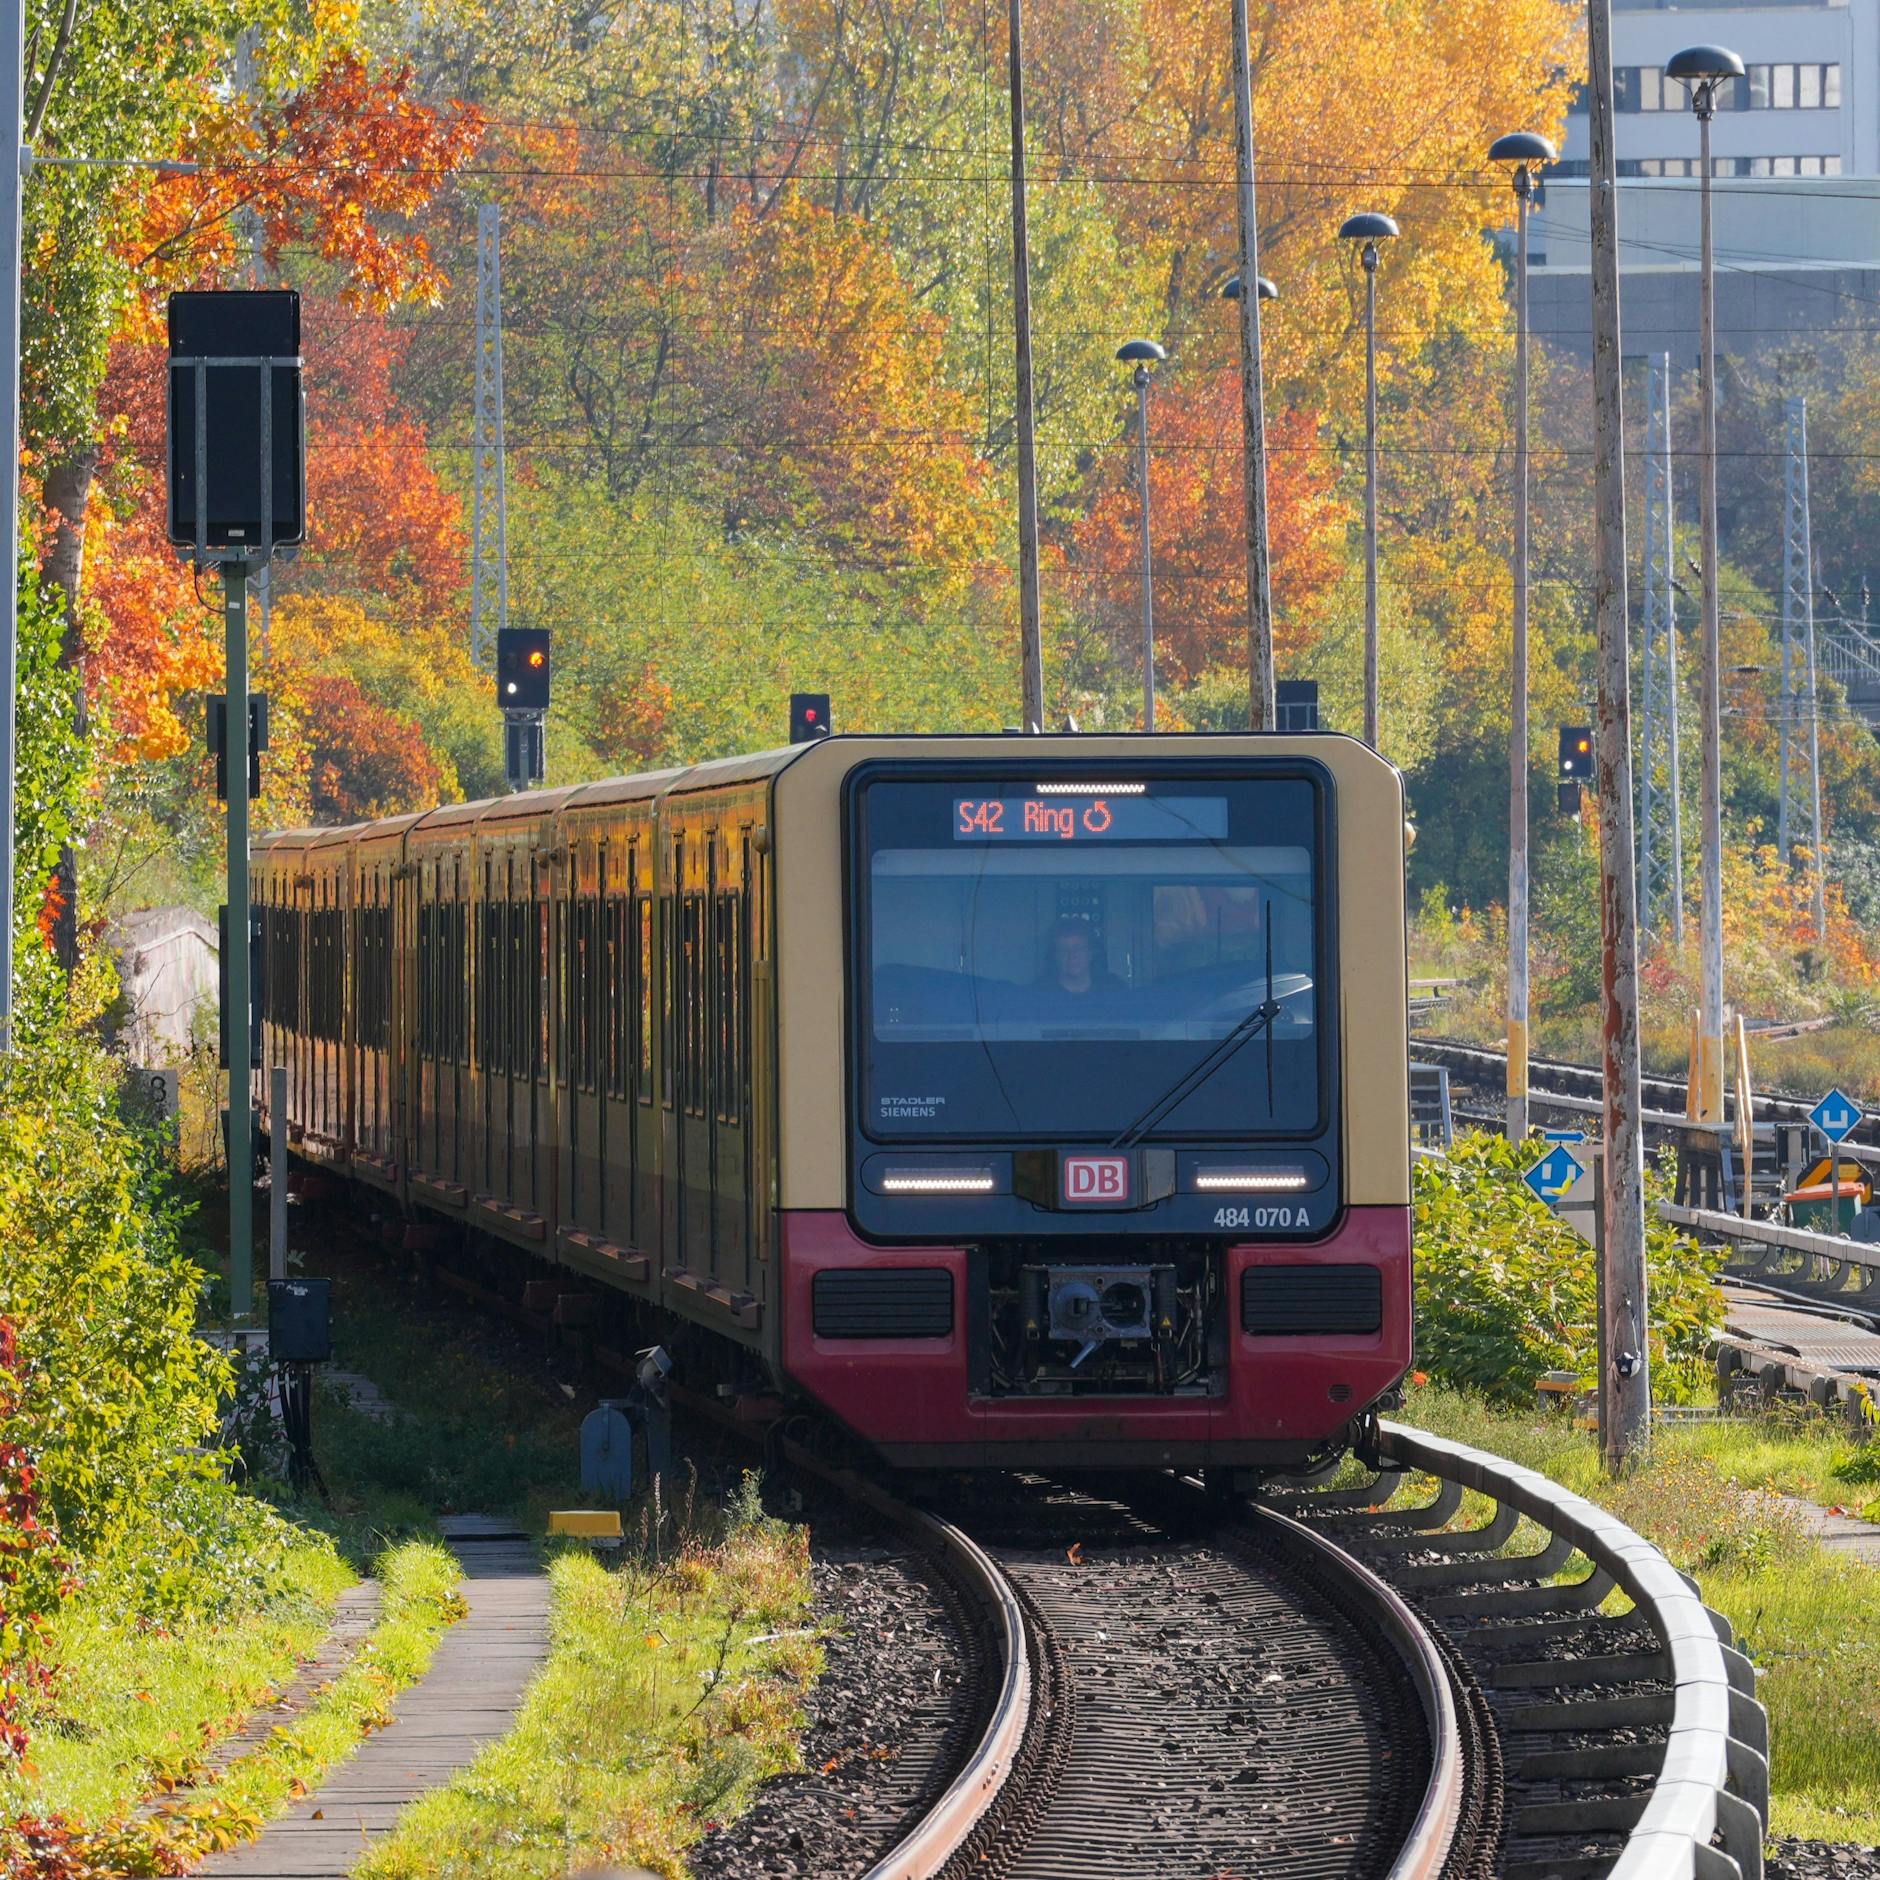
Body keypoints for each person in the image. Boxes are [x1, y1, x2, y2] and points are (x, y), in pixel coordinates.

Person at [1039, 916, 1126, 1000]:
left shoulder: (1115, 993)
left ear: (1090, 952)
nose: (1072, 955)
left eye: (1078, 948)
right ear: (1055, 955)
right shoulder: (1039, 997)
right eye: (1063, 949)